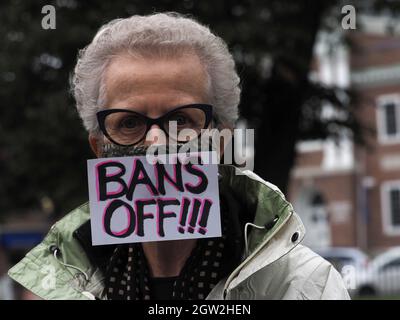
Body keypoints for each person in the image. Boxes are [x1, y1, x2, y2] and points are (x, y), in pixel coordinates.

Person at [8, 12, 350, 300]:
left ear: (220, 139)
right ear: (99, 149)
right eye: (129, 122)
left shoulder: (304, 286)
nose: (156, 142)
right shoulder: (58, 289)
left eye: (181, 119)